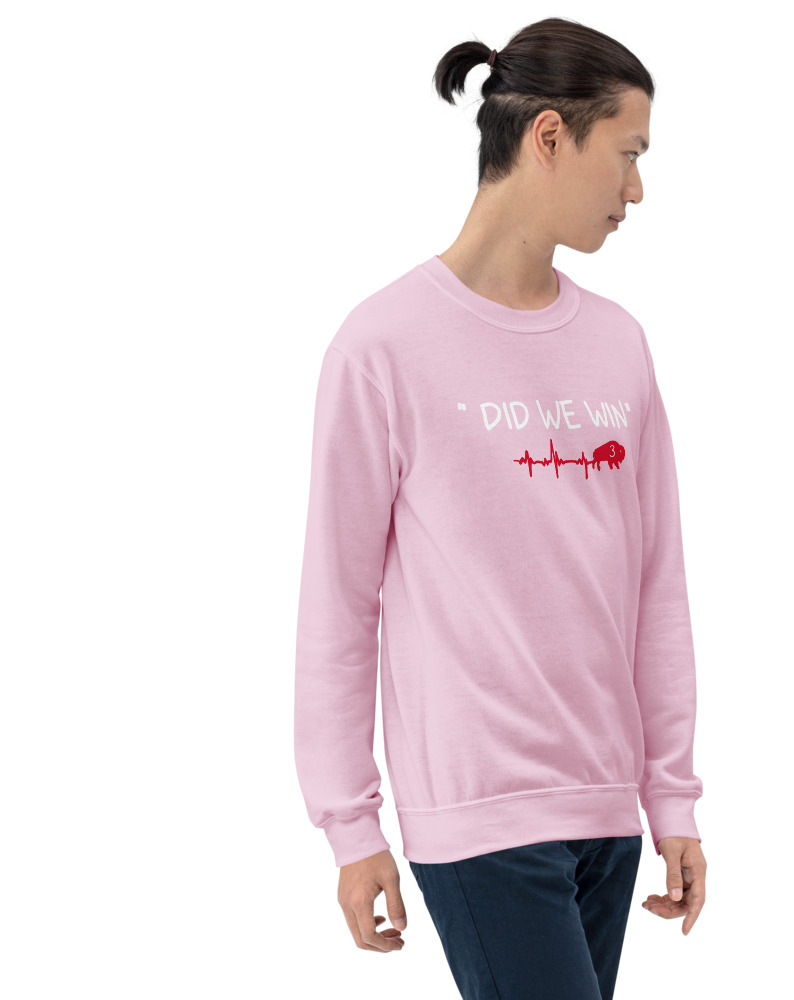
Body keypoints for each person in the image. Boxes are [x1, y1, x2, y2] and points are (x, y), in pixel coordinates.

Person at [293, 16, 707, 999]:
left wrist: (670, 798)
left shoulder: (619, 343)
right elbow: (339, 606)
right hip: (480, 815)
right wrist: (351, 825)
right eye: (629, 155)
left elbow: (657, 586)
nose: (636, 191)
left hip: (606, 812)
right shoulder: (384, 345)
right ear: (551, 136)